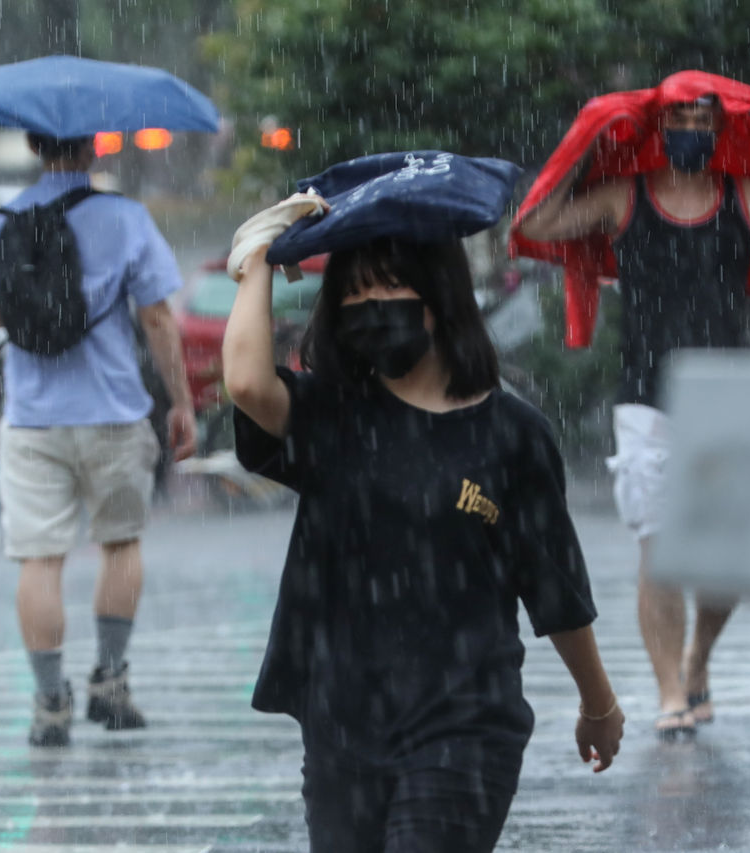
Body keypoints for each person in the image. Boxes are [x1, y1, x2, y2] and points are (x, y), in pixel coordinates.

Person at [223, 193, 624, 851]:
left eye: (390, 285)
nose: (370, 306)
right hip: (342, 724)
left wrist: (598, 703)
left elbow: (555, 588)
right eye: (353, 292)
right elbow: (245, 383)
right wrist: (258, 261)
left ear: (439, 294)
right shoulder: (334, 415)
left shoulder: (512, 435)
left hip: (466, 724)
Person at [515, 91, 750, 740]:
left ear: (719, 129)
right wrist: (585, 147)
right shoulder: (625, 197)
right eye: (680, 119)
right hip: (646, 394)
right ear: (659, 125)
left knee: (723, 557)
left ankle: (698, 658)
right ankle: (670, 690)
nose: (691, 131)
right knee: (658, 548)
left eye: (704, 121)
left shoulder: (745, 197)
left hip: (723, 393)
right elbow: (536, 225)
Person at [0, 132, 197, 747]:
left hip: (32, 419)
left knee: (40, 561)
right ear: (93, 147)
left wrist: (31, 301)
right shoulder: (125, 218)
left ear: (34, 145)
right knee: (120, 544)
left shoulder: (1, 221)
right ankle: (110, 683)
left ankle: (49, 704)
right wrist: (181, 401)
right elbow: (157, 318)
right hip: (114, 412)